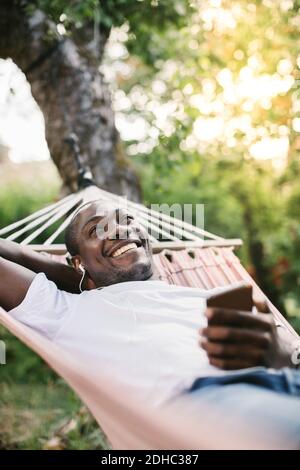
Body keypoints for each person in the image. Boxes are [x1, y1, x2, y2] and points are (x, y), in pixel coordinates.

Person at [0, 200, 299, 445]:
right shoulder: (63, 310)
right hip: (213, 405)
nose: (119, 230)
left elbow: (290, 353)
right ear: (78, 262)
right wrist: (76, 276)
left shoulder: (219, 293)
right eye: (97, 230)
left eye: (126, 219)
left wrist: (279, 354)